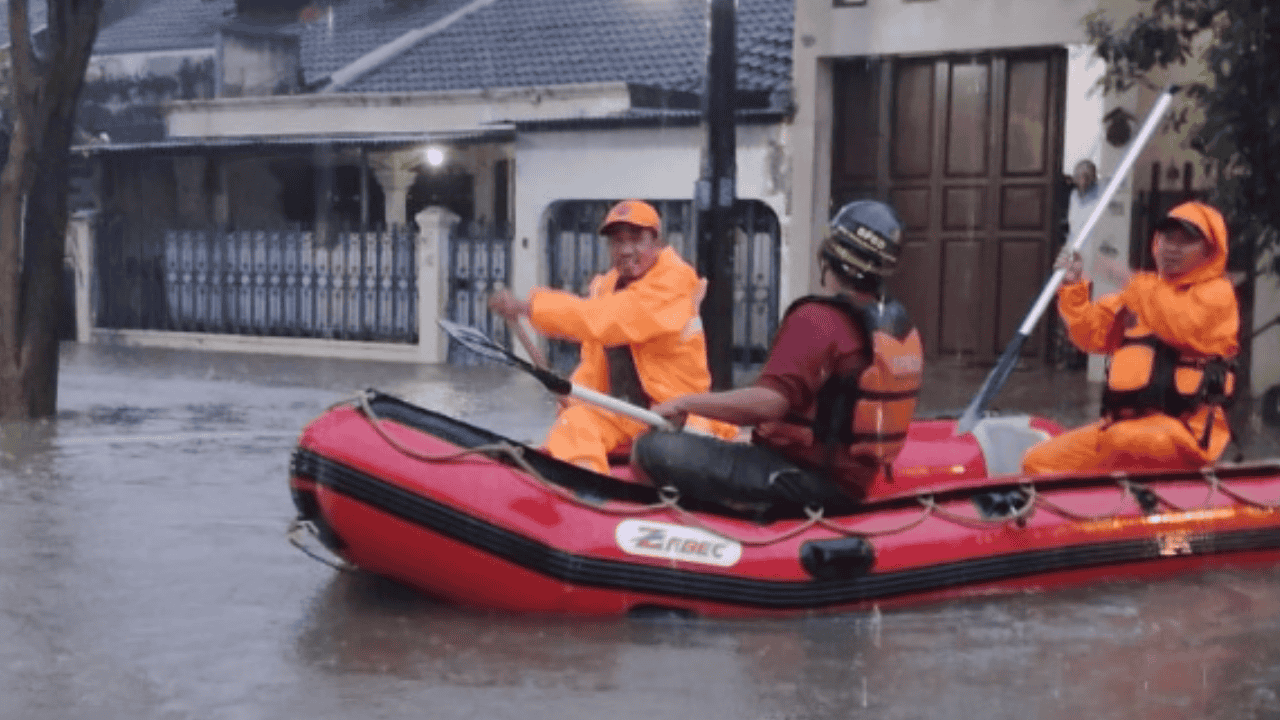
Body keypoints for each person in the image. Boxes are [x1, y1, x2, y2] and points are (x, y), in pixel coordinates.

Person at [633, 200, 923, 512]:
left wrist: (685, 403)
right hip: (850, 483)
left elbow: (769, 403)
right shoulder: (896, 328)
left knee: (651, 449)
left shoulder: (818, 321)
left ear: (829, 255)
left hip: (802, 480)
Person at [487, 199, 736, 474]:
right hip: (628, 414)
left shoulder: (674, 282)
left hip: (678, 415)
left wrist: (528, 308)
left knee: (690, 450)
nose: (626, 250)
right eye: (618, 242)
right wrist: (572, 401)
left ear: (656, 241)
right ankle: (587, 491)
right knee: (574, 423)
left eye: (636, 240)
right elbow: (594, 363)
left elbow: (601, 320)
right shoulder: (606, 287)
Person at [1022, 200, 1239, 475]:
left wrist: (1128, 280)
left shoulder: (1217, 294)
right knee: (1037, 462)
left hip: (1182, 435)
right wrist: (1073, 286)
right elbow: (1091, 336)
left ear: (1209, 251)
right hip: (1124, 429)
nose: (1172, 248)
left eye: (1185, 242)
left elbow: (1180, 325)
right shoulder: (1143, 291)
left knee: (1127, 441)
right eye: (1167, 239)